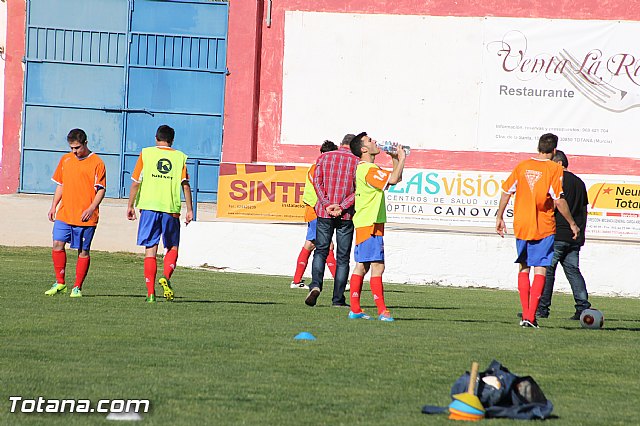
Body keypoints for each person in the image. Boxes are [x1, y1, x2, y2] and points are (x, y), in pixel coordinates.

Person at [496, 133, 579, 328]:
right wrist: (572, 223)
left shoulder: (522, 166)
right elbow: (558, 199)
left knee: (524, 266)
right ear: (554, 151)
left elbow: (507, 191)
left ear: (538, 148)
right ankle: (530, 316)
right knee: (540, 268)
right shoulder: (554, 169)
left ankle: (526, 315)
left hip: (522, 224)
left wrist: (499, 216)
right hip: (543, 226)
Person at [127, 125, 193, 303]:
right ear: (172, 140)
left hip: (148, 207)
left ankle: (150, 293)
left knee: (150, 250)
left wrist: (130, 205)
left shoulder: (146, 154)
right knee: (172, 247)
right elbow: (185, 185)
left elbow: (135, 182)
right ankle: (165, 276)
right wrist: (190, 209)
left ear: (156, 138)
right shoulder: (179, 158)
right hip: (170, 208)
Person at [347, 132, 405, 321]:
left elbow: (394, 180)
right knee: (377, 266)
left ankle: (355, 310)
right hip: (370, 223)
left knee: (362, 266)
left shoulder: (367, 169)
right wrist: (402, 158)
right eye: (370, 141)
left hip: (368, 222)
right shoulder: (368, 170)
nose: (375, 142)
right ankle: (382, 311)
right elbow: (394, 180)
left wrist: (395, 160)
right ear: (364, 149)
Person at [46, 128, 106, 298]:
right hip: (65, 214)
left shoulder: (97, 163)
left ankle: (77, 287)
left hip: (86, 216)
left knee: (83, 251)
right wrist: (53, 206)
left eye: (78, 147)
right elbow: (61, 185)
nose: (74, 151)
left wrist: (91, 208)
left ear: (85, 143)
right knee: (57, 244)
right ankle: (60, 282)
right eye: (72, 148)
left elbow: (101, 190)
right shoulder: (65, 160)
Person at [304, 134, 358, 307]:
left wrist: (327, 204)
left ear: (341, 143)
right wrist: (342, 206)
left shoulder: (324, 157)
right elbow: (358, 191)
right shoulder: (357, 162)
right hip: (346, 215)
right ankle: (338, 299)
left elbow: (317, 183)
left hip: (324, 212)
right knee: (343, 258)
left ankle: (315, 285)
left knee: (320, 251)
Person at [537, 150, 591, 320]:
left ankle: (542, 309)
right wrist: (580, 233)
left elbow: (553, 205)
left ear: (559, 164)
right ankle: (583, 307)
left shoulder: (556, 180)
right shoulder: (579, 183)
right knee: (573, 271)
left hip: (556, 233)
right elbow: (583, 211)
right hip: (574, 237)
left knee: (547, 270)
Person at [291, 141, 338, 289]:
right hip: (315, 210)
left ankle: (297, 281)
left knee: (313, 244)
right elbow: (320, 188)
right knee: (325, 245)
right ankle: (339, 280)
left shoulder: (320, 167)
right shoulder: (317, 168)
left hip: (317, 211)